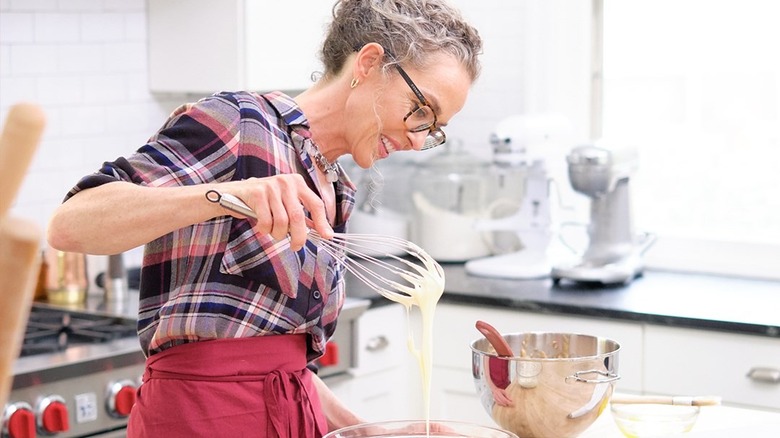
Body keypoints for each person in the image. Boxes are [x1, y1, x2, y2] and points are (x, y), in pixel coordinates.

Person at [47, 0, 482, 436]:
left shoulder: (335, 186)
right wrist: (224, 194)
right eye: (421, 109)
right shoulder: (241, 123)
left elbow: (282, 366)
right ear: (368, 63)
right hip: (200, 419)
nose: (418, 136)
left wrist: (367, 431)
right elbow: (71, 224)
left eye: (434, 128)